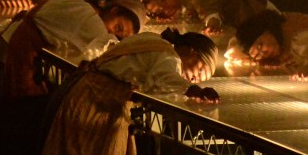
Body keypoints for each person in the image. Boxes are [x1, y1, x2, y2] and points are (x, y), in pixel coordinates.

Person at [40, 28, 220, 154]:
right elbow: (163, 79)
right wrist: (194, 90)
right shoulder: (168, 56)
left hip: (86, 95)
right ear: (191, 50)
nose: (196, 78)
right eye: (201, 70)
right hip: (97, 105)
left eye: (201, 79)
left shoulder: (153, 39)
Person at [0, 0, 147, 99]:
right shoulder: (89, 19)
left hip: (8, 50)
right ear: (113, 10)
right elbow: (111, 57)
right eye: (118, 27)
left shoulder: (79, 0)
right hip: (11, 63)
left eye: (120, 36)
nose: (112, 34)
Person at [142, 0, 272, 39]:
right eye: (160, 11)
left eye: (163, 1)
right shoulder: (181, 1)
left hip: (258, 11)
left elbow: (208, 7)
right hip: (245, 20)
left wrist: (212, 23)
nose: (165, 8)